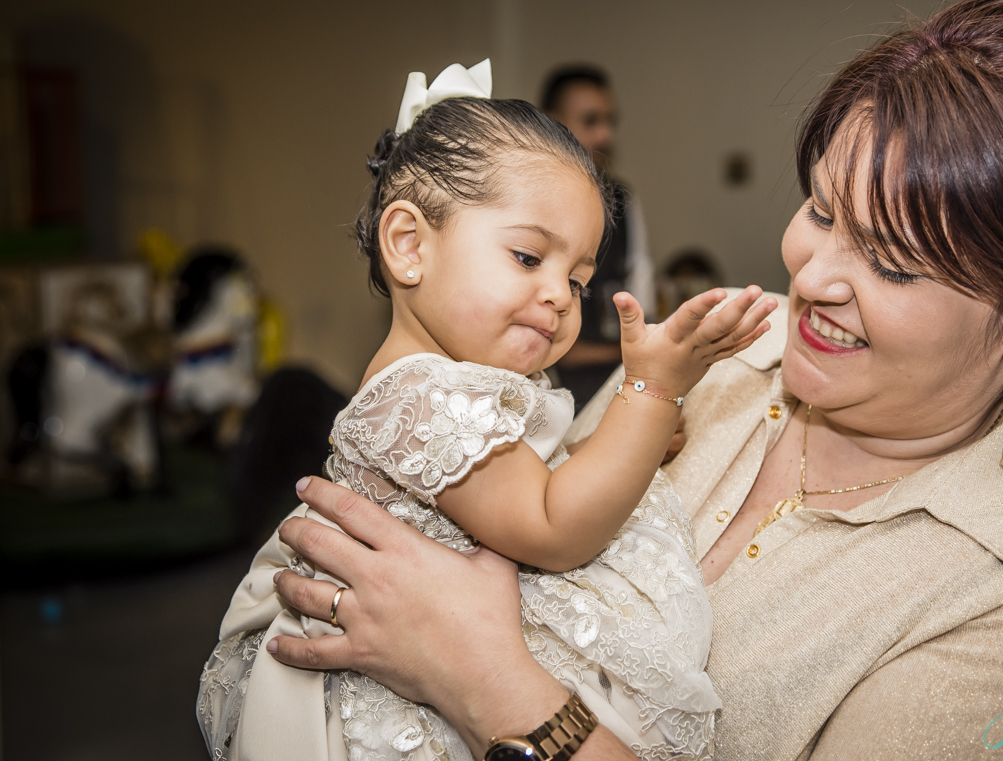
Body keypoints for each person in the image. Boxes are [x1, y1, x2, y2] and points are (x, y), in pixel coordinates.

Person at [259, 0, 1003, 759]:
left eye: (896, 261)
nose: (813, 277)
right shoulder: (727, 351)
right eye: (824, 211)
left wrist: (492, 687)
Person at [197, 60, 775, 761]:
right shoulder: (418, 397)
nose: (561, 295)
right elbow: (553, 525)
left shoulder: (466, 381)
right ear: (409, 244)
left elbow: (537, 481)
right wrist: (651, 392)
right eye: (528, 256)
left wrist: (631, 440)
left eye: (578, 279)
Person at [541, 66, 655, 410]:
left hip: (622, 387)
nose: (605, 134)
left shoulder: (623, 200)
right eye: (591, 121)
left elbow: (642, 286)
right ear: (552, 122)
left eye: (610, 121)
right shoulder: (527, 202)